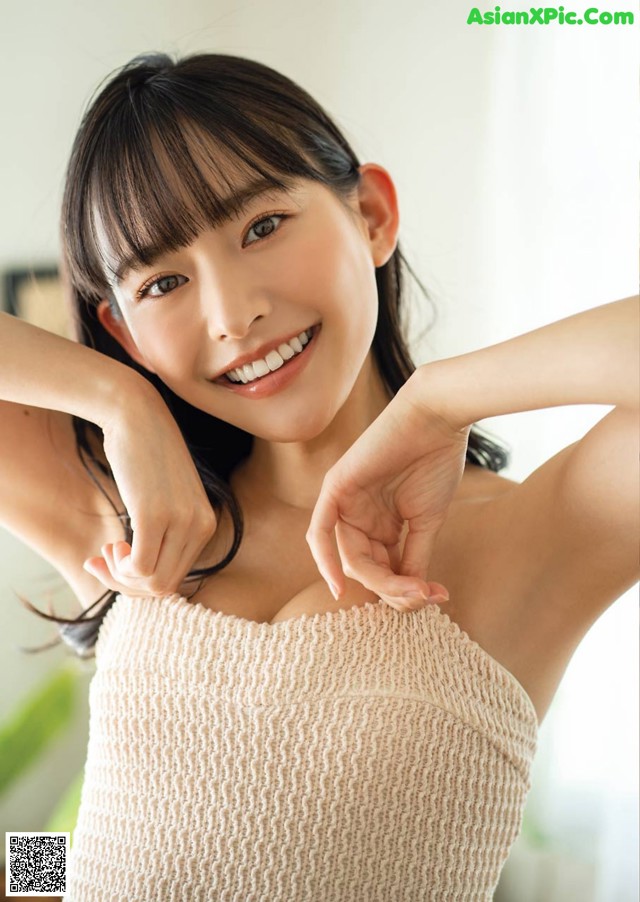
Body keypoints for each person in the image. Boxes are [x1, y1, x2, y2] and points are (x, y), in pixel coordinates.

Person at [0, 51, 637, 902]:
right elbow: (103, 840)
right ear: (125, 333)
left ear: (372, 214)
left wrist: (440, 400)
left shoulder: (526, 541)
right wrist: (117, 400)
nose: (233, 315)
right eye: (163, 282)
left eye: (261, 226)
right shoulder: (131, 524)